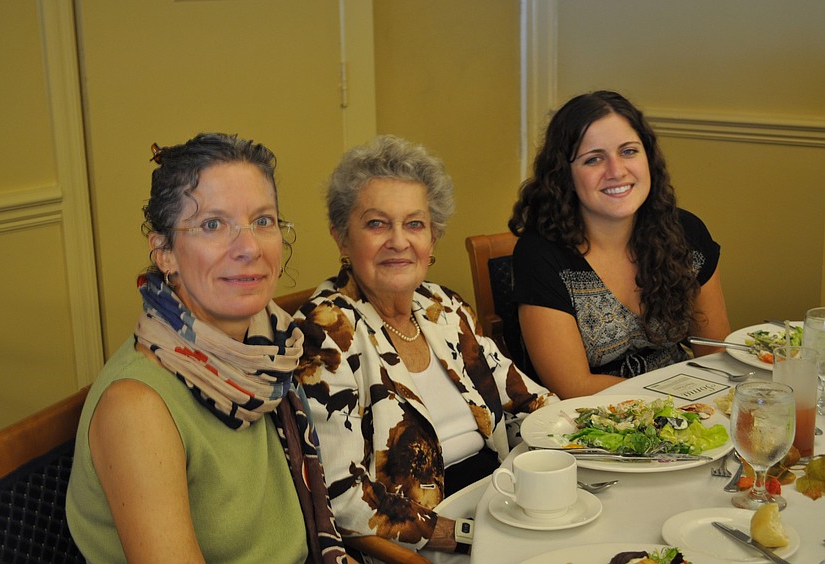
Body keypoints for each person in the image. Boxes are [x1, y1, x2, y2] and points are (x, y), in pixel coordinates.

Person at [66, 133, 348, 563]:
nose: (249, 247)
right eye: (213, 225)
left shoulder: (270, 349)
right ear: (164, 252)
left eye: (263, 220)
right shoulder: (137, 408)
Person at [294, 135, 558, 558]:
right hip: (421, 546)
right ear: (342, 239)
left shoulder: (443, 308)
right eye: (377, 223)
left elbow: (531, 401)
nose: (399, 241)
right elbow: (343, 501)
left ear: (432, 239)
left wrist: (579, 456)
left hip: (505, 506)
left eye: (414, 224)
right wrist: (471, 534)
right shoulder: (324, 335)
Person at [509, 90, 731, 399]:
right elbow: (574, 388)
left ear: (649, 158)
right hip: (593, 426)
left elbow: (715, 354)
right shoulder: (541, 256)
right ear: (564, 175)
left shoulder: (686, 233)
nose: (616, 171)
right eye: (593, 159)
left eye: (628, 151)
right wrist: (675, 401)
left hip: (693, 412)